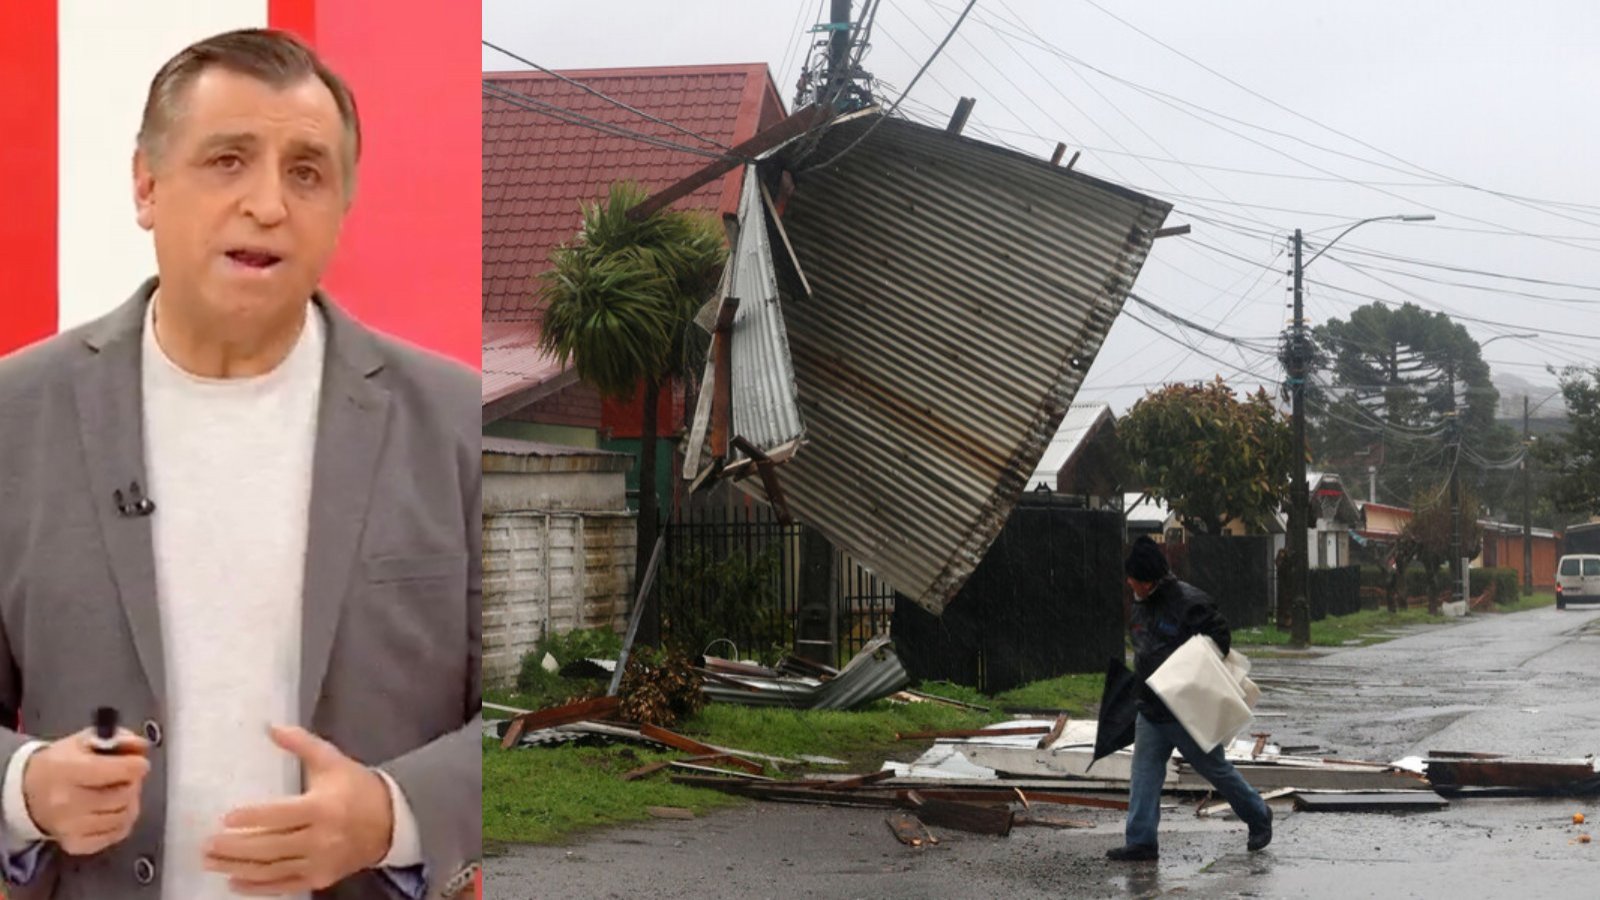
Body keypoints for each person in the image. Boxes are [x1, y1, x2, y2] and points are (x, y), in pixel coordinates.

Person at [0, 29, 480, 898]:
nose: (268, 204)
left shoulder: (452, 425)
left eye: (306, 172)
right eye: (228, 160)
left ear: (342, 204)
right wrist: (21, 788)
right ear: (146, 185)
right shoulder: (15, 416)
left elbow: (522, 730)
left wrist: (393, 811)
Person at [1105, 536, 1271, 862]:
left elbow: (1219, 642)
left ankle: (1258, 815)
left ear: (1148, 580)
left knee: (1215, 769)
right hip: (1151, 708)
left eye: (1133, 579)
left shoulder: (1190, 603)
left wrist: (1186, 672)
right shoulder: (1140, 603)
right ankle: (1141, 841)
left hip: (1186, 711)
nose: (1129, 583)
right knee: (1144, 775)